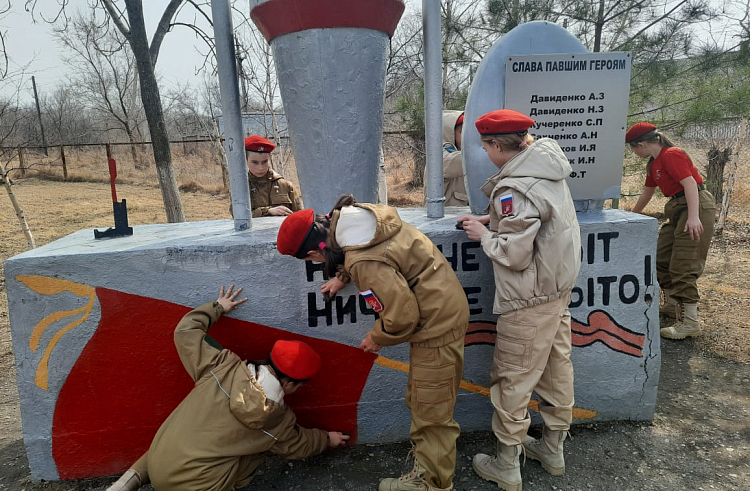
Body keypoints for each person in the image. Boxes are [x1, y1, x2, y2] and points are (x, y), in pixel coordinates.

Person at [276, 197, 469, 491]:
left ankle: (432, 484)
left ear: (315, 251)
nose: (317, 264)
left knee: (431, 410)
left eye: (313, 260)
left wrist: (377, 336)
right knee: (422, 398)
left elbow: (401, 316)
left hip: (435, 325)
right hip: (441, 309)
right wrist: (344, 275)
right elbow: (369, 255)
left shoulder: (363, 261)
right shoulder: (359, 220)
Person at [106, 285, 349, 491]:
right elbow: (298, 445)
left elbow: (186, 331)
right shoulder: (276, 420)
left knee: (180, 440)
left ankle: (126, 483)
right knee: (255, 453)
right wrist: (326, 438)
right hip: (193, 486)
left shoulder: (221, 364)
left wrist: (218, 307)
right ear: (289, 384)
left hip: (155, 463)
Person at [457, 109, 581, 491]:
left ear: (497, 145)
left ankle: (507, 466)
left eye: (486, 147)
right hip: (556, 295)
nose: (486, 153)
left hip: (527, 302)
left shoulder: (515, 187)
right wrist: (493, 220)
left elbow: (515, 254)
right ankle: (552, 450)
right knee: (556, 373)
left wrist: (482, 234)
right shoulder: (548, 170)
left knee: (512, 381)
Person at [625, 122, 716, 339]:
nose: (634, 152)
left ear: (642, 144)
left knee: (684, 263)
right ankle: (672, 304)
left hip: (694, 206)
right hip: (676, 208)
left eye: (633, 148)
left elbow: (691, 184)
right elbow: (648, 192)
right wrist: (632, 215)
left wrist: (694, 217)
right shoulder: (653, 163)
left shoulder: (672, 154)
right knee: (661, 258)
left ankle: (690, 322)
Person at [244, 135, 303, 217]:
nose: (260, 168)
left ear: (270, 159)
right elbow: (239, 217)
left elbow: (299, 216)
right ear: (246, 160)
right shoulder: (242, 189)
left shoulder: (285, 185)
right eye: (255, 162)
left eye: (264, 162)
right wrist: (267, 211)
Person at [443, 110, 468, 206]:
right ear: (450, 133)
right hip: (444, 215)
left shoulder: (461, 150)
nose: (466, 136)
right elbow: (457, 161)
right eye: (462, 132)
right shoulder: (440, 154)